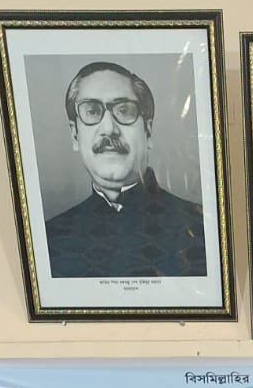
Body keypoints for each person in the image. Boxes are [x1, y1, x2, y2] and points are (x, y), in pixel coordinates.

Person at [45, 61, 206, 279]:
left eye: (124, 110)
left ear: (148, 130)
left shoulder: (201, 230)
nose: (109, 129)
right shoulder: (50, 239)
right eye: (92, 111)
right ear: (75, 136)